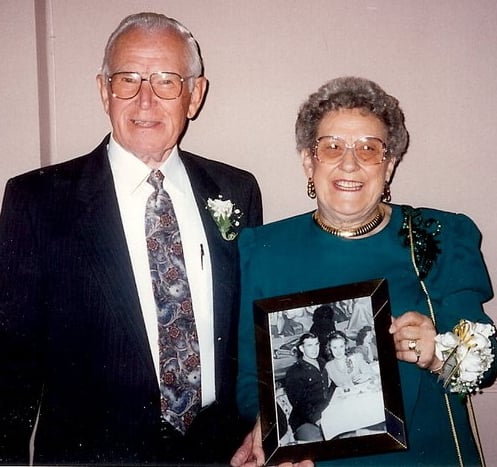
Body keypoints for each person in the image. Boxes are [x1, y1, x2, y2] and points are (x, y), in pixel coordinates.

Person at [0, 12, 262, 466]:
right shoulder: (37, 199)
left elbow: (253, 331)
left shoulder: (236, 190)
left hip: (222, 454)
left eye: (166, 81)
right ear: (104, 90)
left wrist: (265, 425)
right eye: (127, 79)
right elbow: (10, 363)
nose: (145, 100)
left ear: (194, 96)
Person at [231, 76, 497, 466]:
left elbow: (485, 360)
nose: (350, 163)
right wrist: (270, 427)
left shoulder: (437, 236)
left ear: (388, 166)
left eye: (369, 149)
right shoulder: (263, 249)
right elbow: (251, 378)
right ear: (309, 160)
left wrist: (438, 351)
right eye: (332, 147)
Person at [284, 333, 333, 442]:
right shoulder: (294, 372)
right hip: (304, 420)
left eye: (316, 344)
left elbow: (328, 388)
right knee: (318, 441)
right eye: (309, 345)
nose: (314, 349)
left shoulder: (322, 362)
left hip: (326, 411)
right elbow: (299, 404)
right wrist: (316, 419)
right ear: (302, 348)